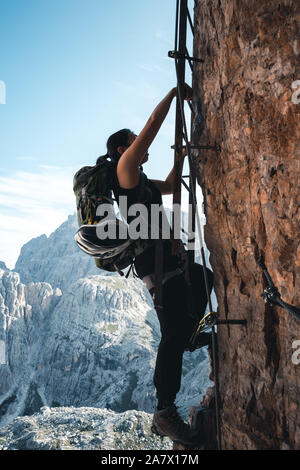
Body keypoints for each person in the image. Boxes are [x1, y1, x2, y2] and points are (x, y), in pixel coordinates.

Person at [98, 86, 214, 446]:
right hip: (157, 265)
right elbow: (151, 124)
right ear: (123, 149)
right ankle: (164, 411)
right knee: (171, 334)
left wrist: (179, 159)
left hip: (168, 258)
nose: (141, 145)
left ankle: (192, 336)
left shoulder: (141, 180)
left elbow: (167, 184)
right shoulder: (126, 170)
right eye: (134, 142)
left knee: (203, 277)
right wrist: (175, 93)